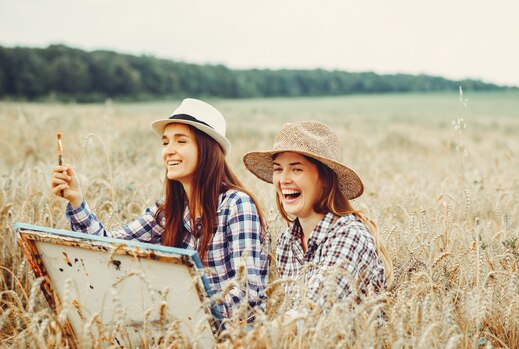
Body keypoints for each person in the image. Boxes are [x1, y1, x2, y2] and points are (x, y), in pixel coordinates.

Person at [50, 98, 269, 327]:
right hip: (182, 335)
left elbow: (246, 295)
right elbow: (107, 247)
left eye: (181, 141)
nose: (168, 151)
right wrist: (76, 200)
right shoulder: (169, 210)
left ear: (207, 150)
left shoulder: (237, 205)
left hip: (233, 346)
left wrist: (182, 313)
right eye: (165, 143)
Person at [243, 121, 391, 310]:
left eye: (297, 169)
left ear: (324, 180)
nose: (283, 179)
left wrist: (255, 338)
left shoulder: (350, 235)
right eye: (278, 169)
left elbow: (313, 312)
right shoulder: (287, 242)